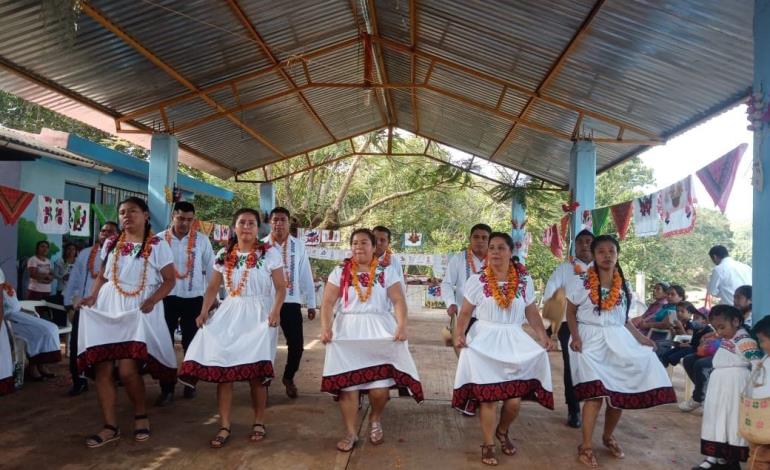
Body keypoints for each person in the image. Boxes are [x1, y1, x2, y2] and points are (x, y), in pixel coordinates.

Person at [180, 208, 286, 449]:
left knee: (257, 374)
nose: (247, 227)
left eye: (251, 223)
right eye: (242, 222)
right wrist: (204, 310)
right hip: (230, 311)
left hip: (260, 314)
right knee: (223, 371)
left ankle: (259, 421)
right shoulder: (224, 253)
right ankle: (224, 424)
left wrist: (275, 311)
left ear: (258, 229)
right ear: (234, 227)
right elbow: (212, 288)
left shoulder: (269, 253)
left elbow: (280, 287)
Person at [566, 235, 676, 468]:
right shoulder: (581, 282)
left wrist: (641, 338)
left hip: (618, 340)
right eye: (601, 252)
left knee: (618, 396)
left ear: (617, 255)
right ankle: (585, 445)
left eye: (611, 252)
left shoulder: (623, 286)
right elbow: (570, 314)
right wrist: (575, 337)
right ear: (594, 256)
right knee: (594, 396)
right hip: (589, 341)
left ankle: (607, 437)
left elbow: (623, 320)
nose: (607, 256)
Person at [77, 197, 177, 448]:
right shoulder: (111, 242)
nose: (126, 216)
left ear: (145, 215)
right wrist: (92, 296)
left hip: (137, 309)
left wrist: (153, 300)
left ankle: (141, 416)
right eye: (122, 212)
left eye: (132, 211)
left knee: (127, 369)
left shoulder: (157, 245)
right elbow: (101, 275)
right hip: (108, 306)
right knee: (103, 367)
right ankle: (110, 426)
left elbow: (169, 280)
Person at [453, 232, 553, 466]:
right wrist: (459, 333)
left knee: (513, 401)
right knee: (488, 399)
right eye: (491, 248)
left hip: (514, 340)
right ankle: (488, 444)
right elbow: (466, 312)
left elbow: (531, 311)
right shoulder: (477, 280)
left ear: (511, 252)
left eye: (500, 248)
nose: (495, 252)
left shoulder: (524, 280)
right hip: (484, 341)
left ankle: (502, 431)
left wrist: (542, 336)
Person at [320, 229, 423, 452]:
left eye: (364, 242)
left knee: (380, 390)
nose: (359, 246)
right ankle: (350, 431)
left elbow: (398, 301)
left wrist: (402, 326)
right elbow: (328, 303)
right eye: (355, 242)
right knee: (348, 388)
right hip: (347, 333)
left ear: (374, 246)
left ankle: (375, 419)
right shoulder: (339, 271)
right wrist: (326, 328)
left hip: (379, 331)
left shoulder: (387, 272)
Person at [155, 201, 214, 405]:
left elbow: (213, 270)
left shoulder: (202, 241)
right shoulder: (158, 240)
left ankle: (190, 383)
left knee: (192, 343)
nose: (184, 223)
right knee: (165, 343)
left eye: (189, 220)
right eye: (181, 218)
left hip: (194, 298)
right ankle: (167, 388)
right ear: (173, 216)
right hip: (166, 298)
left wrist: (211, 298)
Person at [694, 305, 762, 470]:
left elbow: (758, 365)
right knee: (716, 417)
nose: (719, 332)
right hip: (720, 384)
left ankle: (729, 459)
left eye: (722, 327)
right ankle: (714, 456)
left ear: (736, 321)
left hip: (734, 385)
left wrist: (755, 391)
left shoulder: (745, 341)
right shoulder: (728, 339)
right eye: (716, 328)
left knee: (730, 419)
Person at [262, 207, 316, 399]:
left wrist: (311, 302)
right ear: (270, 222)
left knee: (297, 344)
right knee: (264, 344)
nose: (279, 223)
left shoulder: (298, 245)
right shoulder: (260, 246)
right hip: (267, 302)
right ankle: (263, 385)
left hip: (291, 301)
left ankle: (288, 377)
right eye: (275, 219)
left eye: (283, 220)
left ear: (289, 222)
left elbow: (305, 274)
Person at [543, 228, 594, 428]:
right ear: (575, 245)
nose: (585, 245)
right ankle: (574, 410)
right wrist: (552, 327)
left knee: (594, 366)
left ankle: (595, 404)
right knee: (571, 366)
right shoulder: (565, 269)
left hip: (597, 326)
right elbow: (551, 293)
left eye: (589, 241)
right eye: (580, 241)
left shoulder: (604, 268)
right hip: (569, 325)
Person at [63, 221, 120, 396]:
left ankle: (112, 378)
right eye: (103, 230)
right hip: (86, 308)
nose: (105, 234)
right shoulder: (86, 253)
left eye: (110, 231)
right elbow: (74, 279)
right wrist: (69, 303)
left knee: (111, 346)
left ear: (118, 235)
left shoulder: (122, 254)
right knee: (77, 345)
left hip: (110, 308)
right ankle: (78, 380)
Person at [1, 267, 61, 381]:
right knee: (36, 333)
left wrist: (26, 311)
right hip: (9, 320)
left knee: (51, 328)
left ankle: (42, 365)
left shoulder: (7, 288)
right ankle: (33, 367)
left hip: (20, 315)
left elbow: (16, 305)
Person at [658, 302, 712, 367]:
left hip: (695, 350)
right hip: (686, 346)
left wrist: (681, 328)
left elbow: (690, 340)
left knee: (671, 356)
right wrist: (673, 332)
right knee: (665, 354)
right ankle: (661, 366)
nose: (694, 320)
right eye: (694, 318)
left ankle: (662, 367)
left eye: (697, 318)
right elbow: (683, 340)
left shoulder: (708, 331)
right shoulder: (696, 329)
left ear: (705, 321)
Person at [748, 316, 770, 470]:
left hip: (764, 417)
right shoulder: (766, 359)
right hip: (761, 415)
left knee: (759, 456)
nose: (761, 345)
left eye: (762, 340)